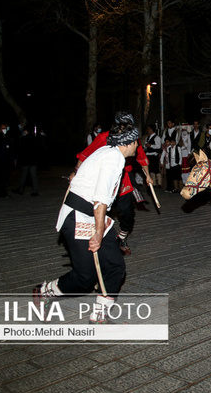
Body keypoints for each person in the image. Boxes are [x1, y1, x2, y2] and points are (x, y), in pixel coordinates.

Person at [33, 118, 140, 324]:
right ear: (127, 143)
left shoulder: (108, 153)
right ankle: (45, 291)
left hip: (94, 216)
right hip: (79, 217)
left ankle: (99, 317)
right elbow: (100, 199)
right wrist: (98, 234)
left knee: (115, 266)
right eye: (136, 141)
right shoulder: (113, 158)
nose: (137, 145)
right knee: (85, 277)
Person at [71, 112, 153, 256]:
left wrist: (148, 176)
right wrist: (76, 171)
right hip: (104, 178)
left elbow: (141, 157)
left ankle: (121, 238)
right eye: (123, 126)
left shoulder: (132, 138)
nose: (126, 129)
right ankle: (97, 238)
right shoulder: (104, 138)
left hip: (124, 179)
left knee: (127, 213)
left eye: (129, 126)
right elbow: (85, 154)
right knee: (102, 207)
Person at [13, 123, 46, 196]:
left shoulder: (24, 139)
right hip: (33, 161)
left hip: (26, 161)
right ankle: (35, 191)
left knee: (23, 176)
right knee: (33, 177)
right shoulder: (34, 138)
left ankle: (21, 190)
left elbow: (20, 150)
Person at [0, 123, 15, 198]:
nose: (4, 130)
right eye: (3, 128)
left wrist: (12, 159)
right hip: (0, 161)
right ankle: (3, 193)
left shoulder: (7, 137)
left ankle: (3, 192)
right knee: (2, 178)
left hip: (6, 161)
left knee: (5, 178)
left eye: (5, 128)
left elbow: (10, 149)